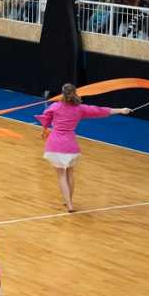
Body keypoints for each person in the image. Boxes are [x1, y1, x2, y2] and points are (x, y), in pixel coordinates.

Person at [36, 84, 132, 212]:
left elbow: (45, 119)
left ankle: (69, 204)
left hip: (55, 144)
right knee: (70, 172)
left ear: (62, 94)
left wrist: (45, 127)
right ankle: (69, 202)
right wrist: (121, 110)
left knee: (61, 175)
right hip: (70, 146)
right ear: (75, 93)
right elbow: (100, 110)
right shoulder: (80, 109)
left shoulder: (55, 106)